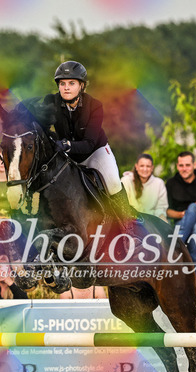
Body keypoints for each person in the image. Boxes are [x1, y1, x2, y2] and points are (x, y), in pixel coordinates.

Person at [42, 60, 139, 239]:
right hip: (67, 155)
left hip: (95, 152)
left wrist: (66, 145)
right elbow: (42, 127)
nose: (66, 87)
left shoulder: (95, 106)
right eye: (62, 83)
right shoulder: (51, 102)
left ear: (82, 86)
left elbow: (89, 143)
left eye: (72, 83)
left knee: (113, 183)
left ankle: (130, 229)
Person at [121, 153, 168, 222]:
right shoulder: (126, 181)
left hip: (151, 221)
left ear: (152, 168)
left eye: (148, 166)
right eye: (142, 166)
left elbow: (161, 208)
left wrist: (162, 221)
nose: (145, 169)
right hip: (130, 221)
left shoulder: (159, 183)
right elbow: (122, 205)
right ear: (136, 166)